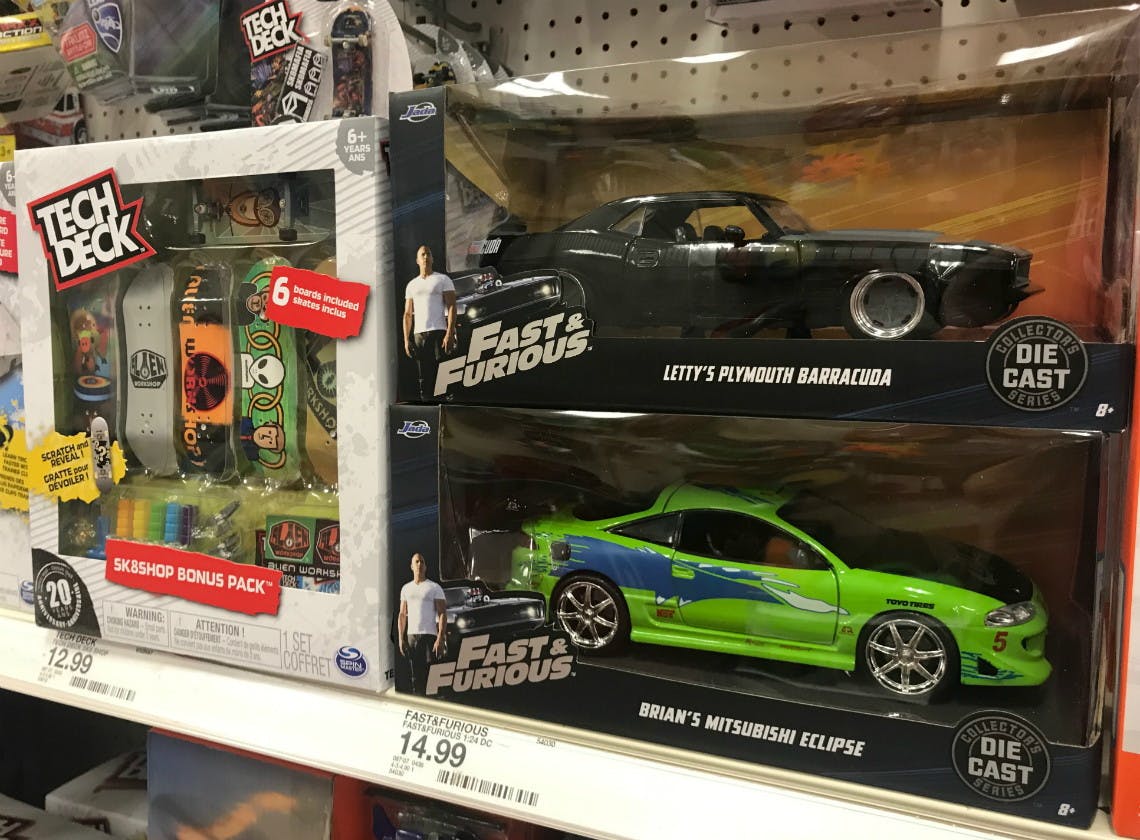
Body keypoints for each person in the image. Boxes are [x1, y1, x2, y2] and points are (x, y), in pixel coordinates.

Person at [403, 245, 456, 400]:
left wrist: (449, 333)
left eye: (428, 254)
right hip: (419, 334)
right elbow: (407, 314)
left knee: (441, 372)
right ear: (417, 260)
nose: (425, 257)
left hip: (439, 331)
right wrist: (406, 340)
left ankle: (445, 403)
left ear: (432, 259)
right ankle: (426, 403)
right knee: (424, 374)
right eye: (422, 254)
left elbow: (452, 306)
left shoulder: (443, 279)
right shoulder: (412, 285)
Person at [398, 552, 446, 695]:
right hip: (412, 636)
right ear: (411, 566)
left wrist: (440, 638)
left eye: (422, 562)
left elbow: (442, 613)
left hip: (429, 635)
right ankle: (418, 700)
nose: (420, 564)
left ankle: (433, 701)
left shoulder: (434, 587)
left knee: (430, 674)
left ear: (425, 567)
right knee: (415, 675)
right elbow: (402, 614)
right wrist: (401, 638)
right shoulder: (406, 588)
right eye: (417, 562)